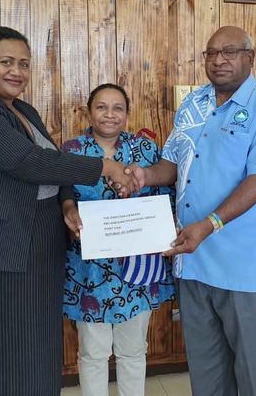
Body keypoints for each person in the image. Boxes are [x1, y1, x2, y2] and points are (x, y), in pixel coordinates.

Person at [0, 27, 136, 396]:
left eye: (24, 64)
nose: (16, 71)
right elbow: (28, 161)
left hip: (39, 250)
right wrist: (103, 167)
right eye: (6, 62)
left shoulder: (23, 110)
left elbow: (52, 164)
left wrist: (67, 201)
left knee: (38, 351)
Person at [127, 26, 256, 396]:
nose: (220, 60)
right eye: (212, 53)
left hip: (243, 268)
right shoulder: (194, 103)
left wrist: (210, 224)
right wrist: (144, 176)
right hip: (192, 261)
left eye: (231, 51)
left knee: (254, 376)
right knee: (207, 373)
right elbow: (172, 164)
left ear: (250, 57)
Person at [61, 83, 175, 396]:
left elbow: (166, 196)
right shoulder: (72, 151)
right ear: (88, 111)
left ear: (126, 113)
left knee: (133, 350)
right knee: (93, 352)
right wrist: (68, 207)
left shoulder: (145, 150)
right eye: (101, 107)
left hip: (136, 271)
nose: (109, 115)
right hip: (89, 271)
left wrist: (167, 236)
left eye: (117, 108)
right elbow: (62, 191)